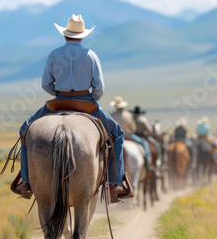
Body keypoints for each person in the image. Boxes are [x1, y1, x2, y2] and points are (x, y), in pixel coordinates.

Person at [12, 14, 131, 201]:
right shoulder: (91, 55)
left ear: (65, 35)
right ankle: (114, 183)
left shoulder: (54, 54)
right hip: (86, 102)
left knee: (25, 129)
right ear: (82, 36)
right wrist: (90, 100)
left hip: (58, 101)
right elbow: (99, 87)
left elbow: (45, 84)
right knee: (118, 134)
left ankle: (26, 181)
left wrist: (59, 95)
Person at [110, 96, 153, 171]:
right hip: (128, 135)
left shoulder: (111, 115)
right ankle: (148, 163)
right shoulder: (127, 115)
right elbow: (133, 128)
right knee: (143, 142)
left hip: (115, 136)